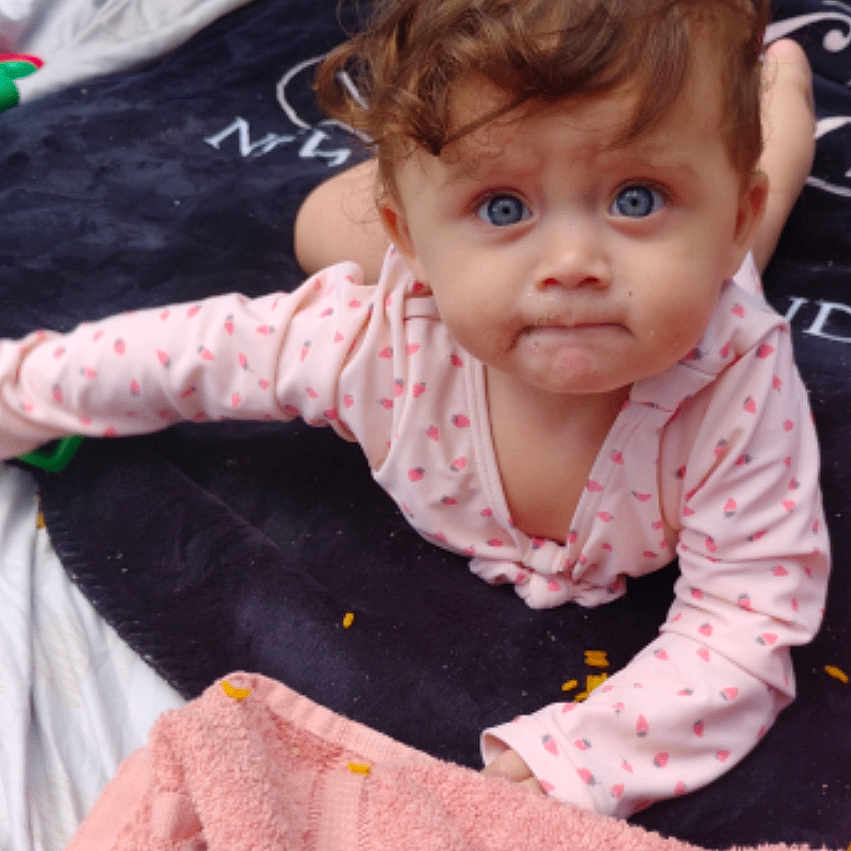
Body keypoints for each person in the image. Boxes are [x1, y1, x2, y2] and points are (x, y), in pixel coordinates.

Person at [0, 0, 827, 819]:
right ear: (408, 241)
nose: (574, 263)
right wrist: (22, 392)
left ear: (725, 216)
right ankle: (480, 198)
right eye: (505, 207)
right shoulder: (374, 346)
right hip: (448, 247)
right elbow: (191, 354)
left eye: (637, 198)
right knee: (318, 229)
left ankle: (775, 86)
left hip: (699, 264)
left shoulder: (739, 386)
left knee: (769, 182)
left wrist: (583, 756)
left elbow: (748, 616)